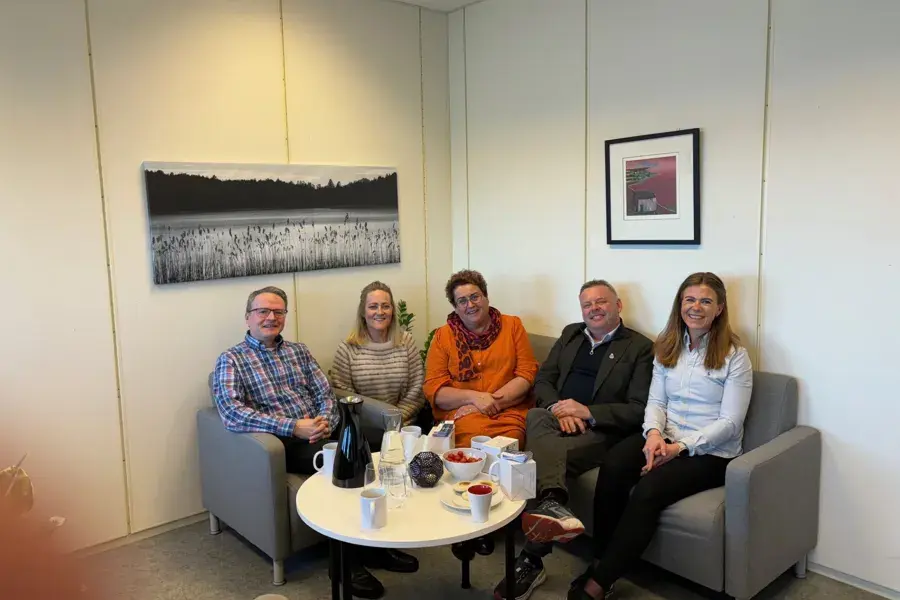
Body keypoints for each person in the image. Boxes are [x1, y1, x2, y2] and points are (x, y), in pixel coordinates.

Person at [212, 286, 417, 600]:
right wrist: (294, 427)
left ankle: (375, 543)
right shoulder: (232, 359)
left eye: (278, 312)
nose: (271, 318)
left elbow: (326, 393)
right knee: (347, 467)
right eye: (263, 311)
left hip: (322, 430)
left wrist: (324, 424)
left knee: (381, 447)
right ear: (248, 317)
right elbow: (231, 413)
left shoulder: (299, 351)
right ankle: (345, 563)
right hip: (283, 442)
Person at [568, 272, 753, 600]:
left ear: (720, 308)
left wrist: (679, 447)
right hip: (664, 435)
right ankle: (601, 559)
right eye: (689, 299)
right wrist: (653, 434)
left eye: (706, 301)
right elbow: (656, 402)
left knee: (649, 490)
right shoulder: (667, 346)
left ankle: (600, 582)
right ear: (680, 304)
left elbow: (731, 422)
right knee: (614, 465)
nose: (696, 307)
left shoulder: (734, 355)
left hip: (711, 452)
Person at [494, 280, 654, 600]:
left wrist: (587, 412)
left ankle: (531, 558)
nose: (594, 309)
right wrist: (558, 408)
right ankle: (552, 502)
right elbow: (544, 379)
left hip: (601, 432)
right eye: (587, 304)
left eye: (601, 302)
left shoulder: (640, 347)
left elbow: (639, 409)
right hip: (557, 420)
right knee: (535, 415)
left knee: (541, 457)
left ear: (618, 305)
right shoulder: (571, 334)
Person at [423, 270, 539, 448]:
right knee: (463, 450)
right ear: (455, 307)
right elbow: (435, 391)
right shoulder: (442, 336)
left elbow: (526, 375)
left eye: (475, 297)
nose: (470, 305)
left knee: (508, 444)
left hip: (507, 413)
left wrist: (485, 404)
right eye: (462, 301)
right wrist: (473, 398)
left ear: (486, 297)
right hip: (462, 416)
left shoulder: (513, 326)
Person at [330, 281, 428, 429]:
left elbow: (416, 390)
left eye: (385, 306)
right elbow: (345, 397)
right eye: (373, 306)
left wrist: (394, 421)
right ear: (363, 312)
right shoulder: (347, 349)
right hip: (365, 429)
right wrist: (377, 422)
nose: (380, 312)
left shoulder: (406, 341)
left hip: (404, 426)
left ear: (392, 310)